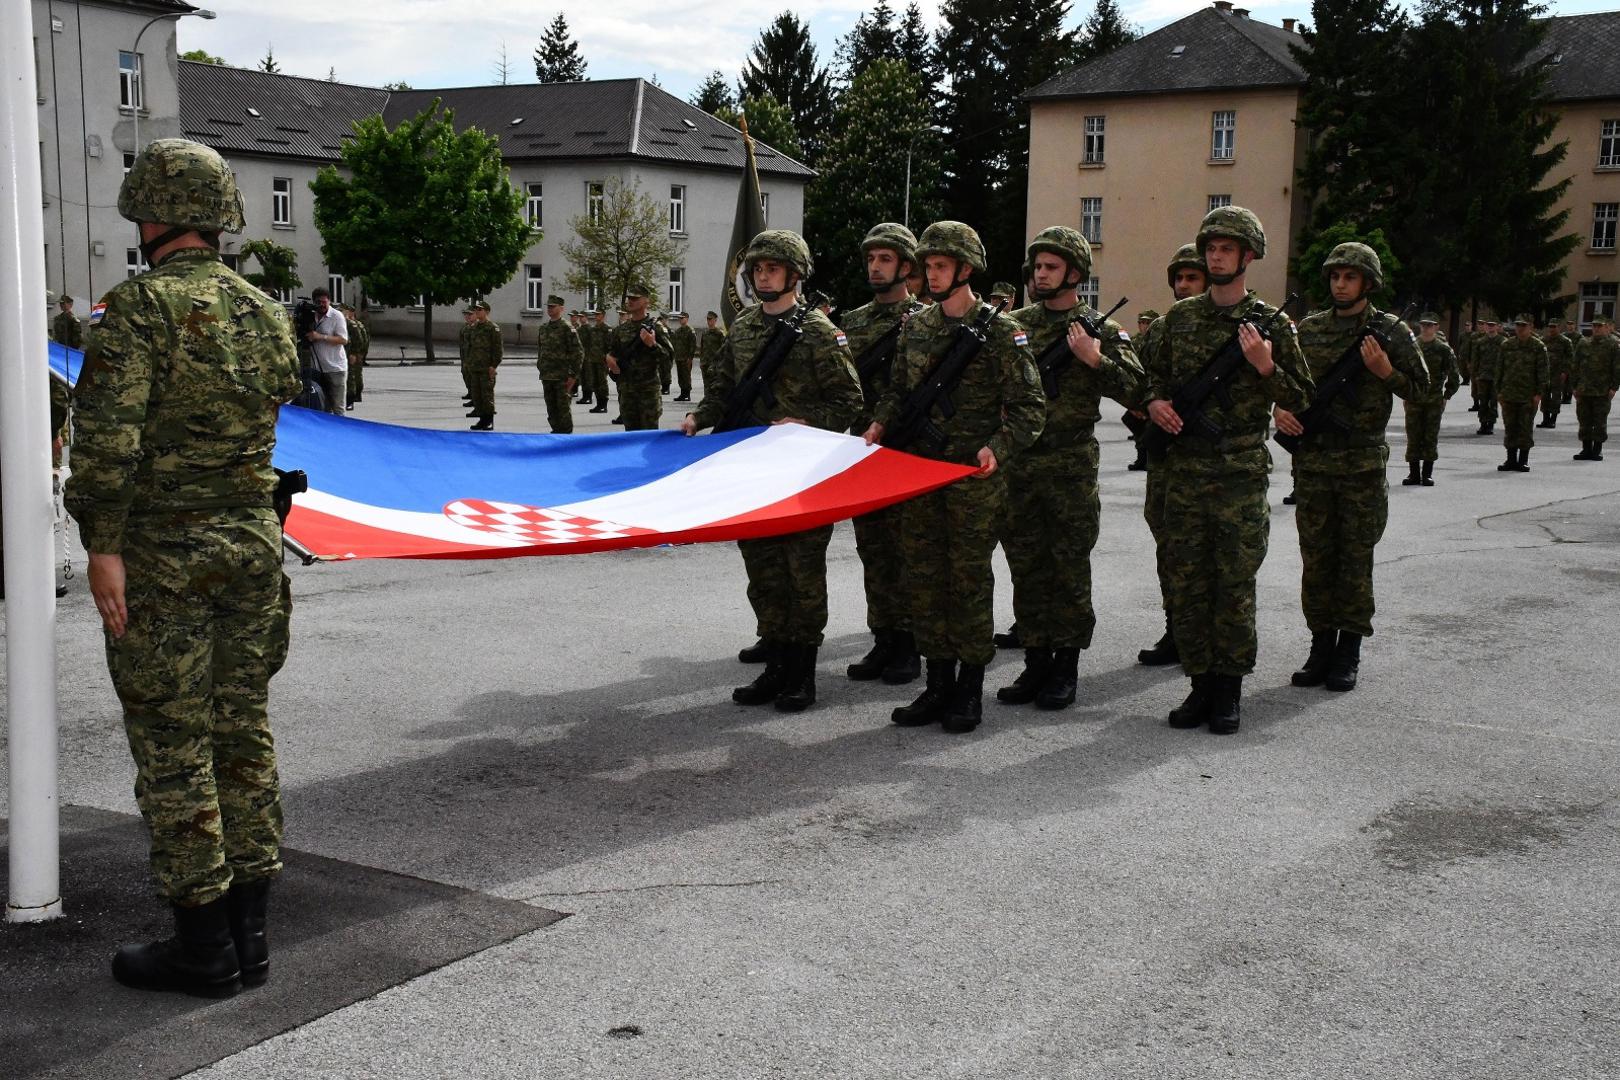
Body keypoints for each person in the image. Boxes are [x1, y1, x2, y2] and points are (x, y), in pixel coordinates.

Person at [64, 138, 300, 997]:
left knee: (174, 743)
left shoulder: (139, 310)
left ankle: (202, 947)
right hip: (250, 547)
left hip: (164, 553)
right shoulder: (263, 310)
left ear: (150, 212)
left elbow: (107, 446)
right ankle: (252, 936)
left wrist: (101, 546)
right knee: (242, 730)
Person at [865, 221, 1045, 734]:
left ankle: (968, 689)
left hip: (971, 479)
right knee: (924, 579)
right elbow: (898, 390)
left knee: (967, 583)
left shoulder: (1001, 331)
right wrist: (880, 422)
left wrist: (998, 446)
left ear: (965, 269)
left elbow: (1030, 406)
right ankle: (936, 683)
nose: (932, 274)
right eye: (927, 266)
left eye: (941, 266)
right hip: (920, 474)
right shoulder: (917, 327)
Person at [1142, 206, 1311, 734]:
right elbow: (1147, 376)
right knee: (1189, 583)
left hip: (1238, 475)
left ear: (1248, 256)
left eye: (1226, 249)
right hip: (1185, 473)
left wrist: (1264, 364)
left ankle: (1229, 691)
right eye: (1210, 248)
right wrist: (1154, 403)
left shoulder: (1272, 323)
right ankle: (1199, 685)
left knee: (1232, 586)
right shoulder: (1180, 319)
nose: (1215, 256)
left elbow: (1302, 394)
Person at [681, 230, 863, 711]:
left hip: (803, 475)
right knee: (762, 571)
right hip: (753, 473)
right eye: (757, 269)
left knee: (801, 573)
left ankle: (802, 673)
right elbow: (721, 388)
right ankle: (776, 664)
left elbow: (849, 400)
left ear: (795, 275)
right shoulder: (741, 329)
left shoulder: (820, 332)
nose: (763, 276)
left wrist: (805, 423)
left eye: (772, 269)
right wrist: (700, 416)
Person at [999, 226, 1143, 710]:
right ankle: (1035, 663)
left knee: (1067, 571)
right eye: (1037, 266)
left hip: (1070, 469)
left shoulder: (1099, 329)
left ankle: (1065, 668)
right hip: (1019, 468)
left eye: (1051, 267)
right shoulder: (1015, 324)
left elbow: (1138, 391)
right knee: (1027, 569)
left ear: (1075, 274)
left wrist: (1094, 359)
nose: (1040, 274)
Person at [1276, 243, 1427, 693]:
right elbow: (1286, 381)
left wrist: (1385, 372)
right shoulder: (1311, 329)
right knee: (1317, 558)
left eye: (1350, 277)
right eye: (1335, 276)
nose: (1340, 284)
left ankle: (1349, 652)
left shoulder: (1391, 332)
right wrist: (1280, 409)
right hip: (1314, 462)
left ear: (1368, 283)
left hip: (1360, 462)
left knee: (1355, 559)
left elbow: (1426, 389)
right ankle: (1320, 645)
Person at [839, 223, 923, 685]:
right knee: (873, 550)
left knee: (908, 551)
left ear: (906, 267)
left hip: (909, 452)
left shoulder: (928, 322)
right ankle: (884, 638)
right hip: (863, 450)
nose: (875, 267)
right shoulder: (851, 323)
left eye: (885, 259)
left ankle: (910, 644)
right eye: (871, 258)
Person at [1136, 243, 1207, 667]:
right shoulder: (1163, 329)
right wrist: (1151, 401)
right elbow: (1139, 377)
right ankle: (1176, 628)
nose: (1183, 286)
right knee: (1168, 547)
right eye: (1178, 279)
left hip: (1210, 461)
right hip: (1167, 459)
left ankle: (1202, 635)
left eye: (1191, 278)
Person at [1402, 312, 1460, 487]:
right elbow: (1404, 373)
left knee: (1430, 437)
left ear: (1436, 327)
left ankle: (1426, 474)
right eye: (1424, 324)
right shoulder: (1412, 347)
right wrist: (1406, 394)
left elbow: (1455, 376)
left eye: (1430, 325)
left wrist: (1446, 396)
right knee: (1413, 436)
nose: (1426, 328)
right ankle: (1413, 474)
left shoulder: (1443, 349)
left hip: (1434, 401)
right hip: (1414, 400)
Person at [605, 285, 672, 430]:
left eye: (635, 298)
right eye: (629, 298)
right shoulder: (620, 330)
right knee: (630, 438)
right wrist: (610, 362)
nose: (630, 301)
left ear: (646, 302)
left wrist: (653, 345)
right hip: (627, 393)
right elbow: (612, 354)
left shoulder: (656, 328)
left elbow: (668, 359)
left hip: (648, 393)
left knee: (649, 439)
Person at [1494, 314, 1548, 472]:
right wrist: (1499, 391)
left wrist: (1539, 394)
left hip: (1527, 395)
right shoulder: (1507, 345)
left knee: (1525, 428)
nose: (1520, 328)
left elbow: (1543, 372)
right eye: (1518, 325)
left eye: (1523, 325)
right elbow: (1499, 369)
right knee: (1510, 427)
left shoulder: (1538, 346)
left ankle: (1523, 460)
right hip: (1509, 394)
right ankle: (1510, 459)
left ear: (1530, 327)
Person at [1572, 313, 1619, 460]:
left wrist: (1614, 387)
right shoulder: (1583, 343)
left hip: (1602, 390)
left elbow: (1617, 367)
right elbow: (1575, 365)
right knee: (1584, 420)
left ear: (1606, 328)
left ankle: (1597, 449)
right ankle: (1586, 449)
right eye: (1594, 326)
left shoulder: (1613, 345)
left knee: (1599, 421)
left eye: (1600, 326)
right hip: (1584, 389)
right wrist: (1574, 386)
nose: (1597, 328)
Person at [534, 294, 582, 433]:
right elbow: (541, 349)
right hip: (547, 374)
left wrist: (573, 375)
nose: (549, 309)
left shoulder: (567, 328)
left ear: (561, 308)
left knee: (563, 409)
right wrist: (540, 365)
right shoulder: (544, 328)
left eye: (553, 306)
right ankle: (555, 431)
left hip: (562, 376)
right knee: (551, 407)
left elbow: (578, 352)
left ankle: (566, 436)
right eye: (548, 306)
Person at [303, 287, 347, 416]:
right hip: (316, 368)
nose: (321, 305)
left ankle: (340, 432)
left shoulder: (336, 316)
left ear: (329, 301)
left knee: (338, 407)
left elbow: (343, 339)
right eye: (318, 302)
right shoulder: (311, 315)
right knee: (322, 405)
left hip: (335, 368)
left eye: (324, 302)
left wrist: (320, 337)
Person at [462, 300, 502, 430]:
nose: (477, 312)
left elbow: (498, 349)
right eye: (476, 310)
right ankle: (481, 419)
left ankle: (488, 420)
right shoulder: (473, 328)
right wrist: (468, 363)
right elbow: (470, 347)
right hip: (474, 367)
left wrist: (493, 366)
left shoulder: (493, 328)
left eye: (480, 309)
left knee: (486, 395)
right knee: (476, 394)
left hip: (486, 368)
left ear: (487, 311)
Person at [1539, 315, 1573, 428]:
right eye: (1550, 327)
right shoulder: (1543, 340)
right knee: (1544, 397)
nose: (1552, 329)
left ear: (1559, 327)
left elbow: (1570, 358)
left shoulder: (1565, 341)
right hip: (1546, 373)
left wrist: (1565, 372)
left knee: (1556, 397)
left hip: (1558, 373)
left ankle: (1553, 419)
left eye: (1554, 327)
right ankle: (1545, 419)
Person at [1473, 317, 1502, 434]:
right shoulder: (1480, 342)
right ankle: (1483, 423)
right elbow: (1476, 360)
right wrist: (1475, 374)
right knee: (1483, 401)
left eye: (1492, 325)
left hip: (1496, 377)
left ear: (1497, 327)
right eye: (1489, 325)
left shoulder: (1502, 342)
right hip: (1483, 376)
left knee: (1493, 401)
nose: (1490, 327)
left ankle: (1491, 424)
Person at [343, 304, 369, 411]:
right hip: (343, 352)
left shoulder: (353, 324)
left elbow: (361, 339)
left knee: (353, 376)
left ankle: (352, 397)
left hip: (351, 352)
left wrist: (357, 353)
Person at [671, 311, 698, 402]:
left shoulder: (690, 330)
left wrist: (690, 357)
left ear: (686, 319)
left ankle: (687, 394)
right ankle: (682, 393)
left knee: (686, 376)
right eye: (679, 318)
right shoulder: (678, 331)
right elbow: (675, 343)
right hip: (679, 357)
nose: (680, 320)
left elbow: (692, 345)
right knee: (681, 376)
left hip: (686, 358)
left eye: (682, 318)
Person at [698, 310, 726, 397]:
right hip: (705, 363)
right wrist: (701, 361)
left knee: (714, 384)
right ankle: (707, 399)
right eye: (707, 319)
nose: (709, 321)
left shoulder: (719, 333)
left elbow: (724, 348)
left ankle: (713, 401)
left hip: (714, 363)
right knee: (706, 384)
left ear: (715, 320)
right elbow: (702, 348)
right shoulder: (705, 333)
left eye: (710, 319)